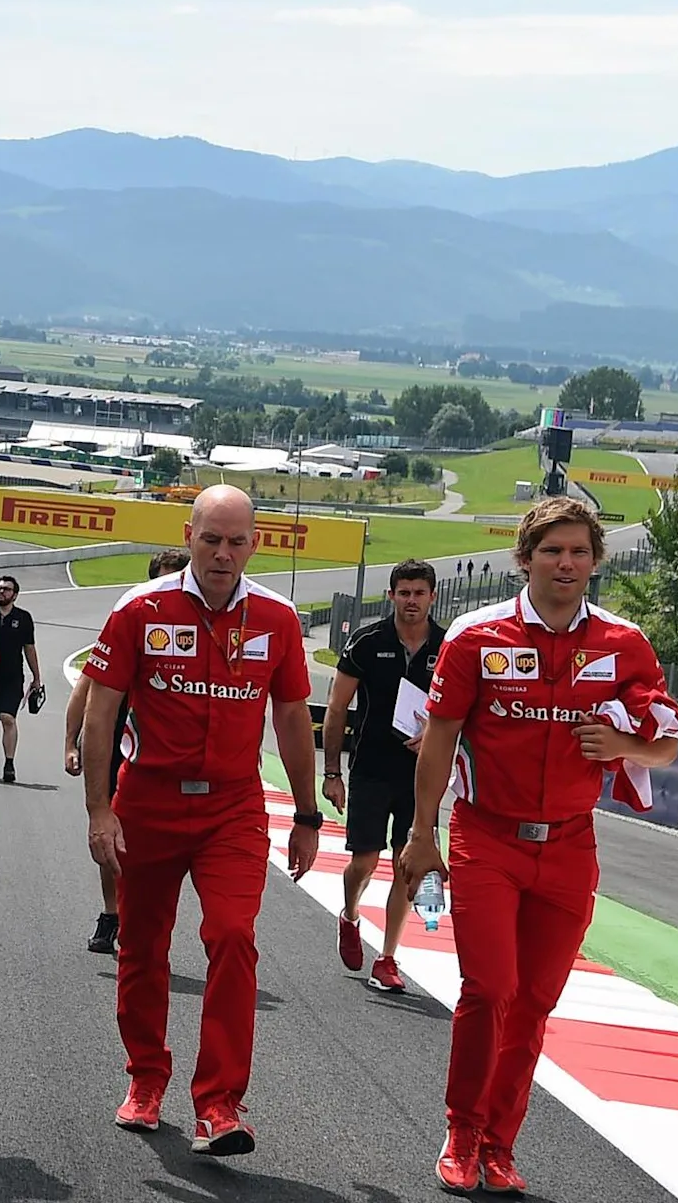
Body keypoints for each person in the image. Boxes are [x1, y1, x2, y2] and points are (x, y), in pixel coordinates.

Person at [402, 496, 678, 1198]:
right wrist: (420, 833)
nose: (567, 562)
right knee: (489, 988)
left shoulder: (623, 642)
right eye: (553, 550)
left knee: (534, 1002)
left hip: (568, 845)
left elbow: (670, 741)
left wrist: (624, 744)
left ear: (595, 561)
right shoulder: (475, 634)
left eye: (580, 551)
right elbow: (438, 739)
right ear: (525, 558)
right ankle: (461, 1132)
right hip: (484, 836)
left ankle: (500, 1144)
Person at [76, 491, 322, 1157]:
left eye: (236, 542)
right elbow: (101, 712)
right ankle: (146, 1078)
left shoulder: (276, 617)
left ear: (254, 545)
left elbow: (293, 717)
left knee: (234, 934)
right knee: (142, 946)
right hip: (148, 801)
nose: (223, 553)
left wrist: (306, 812)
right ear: (189, 535)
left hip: (232, 807)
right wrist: (100, 808)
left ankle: (219, 1103)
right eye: (211, 539)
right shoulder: (141, 608)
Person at [321, 559, 442, 993]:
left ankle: (388, 958)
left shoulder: (446, 647)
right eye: (404, 592)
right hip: (371, 768)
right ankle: (350, 914)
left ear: (432, 596)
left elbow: (464, 711)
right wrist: (332, 771)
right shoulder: (367, 641)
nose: (411, 601)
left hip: (421, 777)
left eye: (419, 593)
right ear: (391, 596)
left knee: (407, 869)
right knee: (364, 862)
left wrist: (436, 729)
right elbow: (336, 709)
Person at [62, 548, 186, 954]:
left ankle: (143, 914)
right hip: (117, 735)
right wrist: (71, 741)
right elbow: (87, 684)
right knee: (112, 834)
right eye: (165, 578)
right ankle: (111, 912)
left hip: (164, 745)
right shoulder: (131, 616)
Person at [0, 575, 40, 782]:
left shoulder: (24, 618)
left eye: (6, 589)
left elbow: (29, 648)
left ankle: (9, 763)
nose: (1, 592)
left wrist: (37, 677)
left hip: (12, 678)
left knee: (7, 718)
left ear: (15, 595)